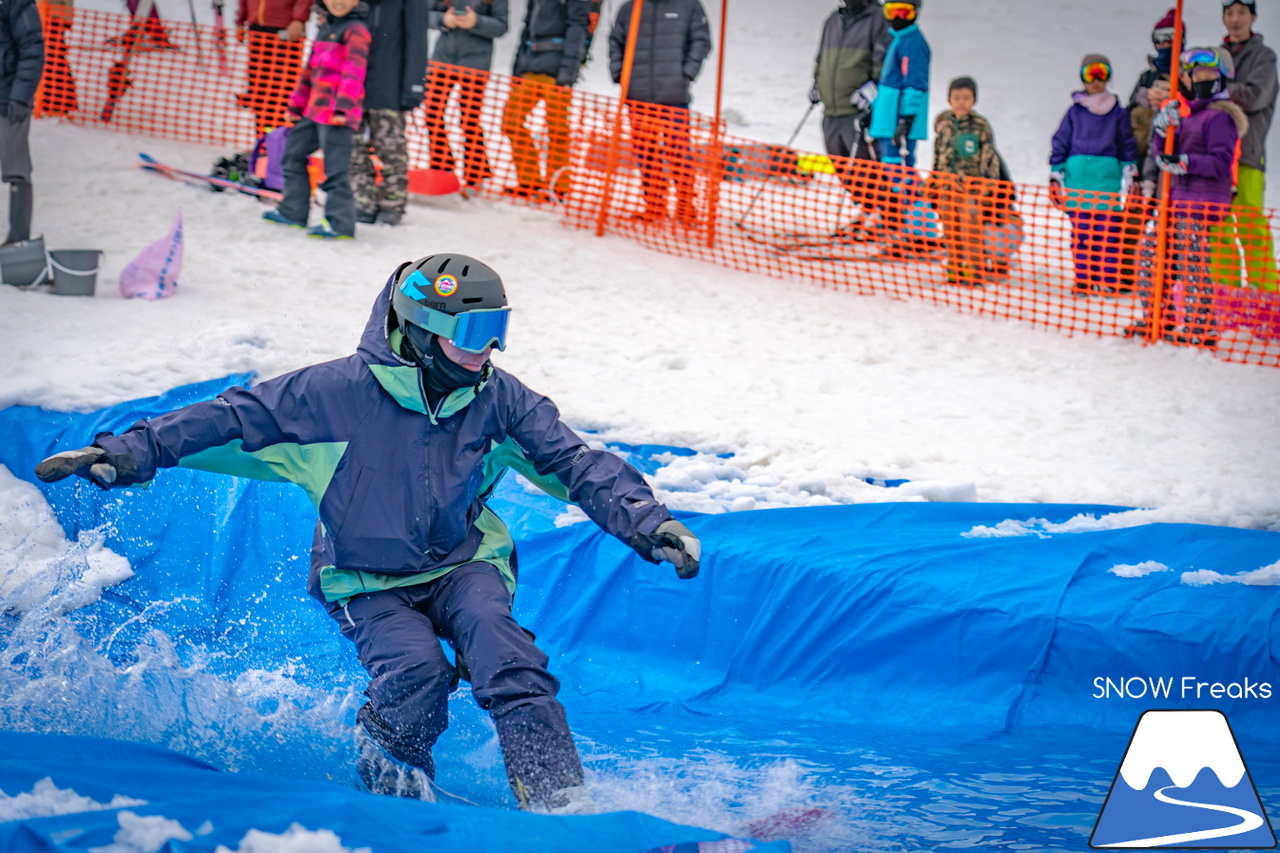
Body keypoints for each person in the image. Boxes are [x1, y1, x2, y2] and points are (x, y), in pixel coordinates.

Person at [34, 253, 703, 814]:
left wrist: (649, 521)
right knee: (416, 673)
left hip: (463, 563)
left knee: (509, 660)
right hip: (365, 577)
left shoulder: (499, 399)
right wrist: (124, 452)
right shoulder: (332, 394)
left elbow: (575, 463)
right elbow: (227, 418)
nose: (488, 348)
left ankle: (559, 806)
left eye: (496, 329)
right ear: (421, 328)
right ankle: (388, 801)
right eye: (472, 331)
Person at [1130, 46, 1246, 348]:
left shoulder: (1220, 117)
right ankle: (1158, 315)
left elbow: (1221, 161)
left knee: (1192, 261)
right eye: (1197, 74)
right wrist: (1161, 128)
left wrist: (1186, 161)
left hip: (1203, 200)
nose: (1202, 78)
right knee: (1152, 254)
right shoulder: (1188, 113)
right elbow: (1162, 153)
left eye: (1209, 73)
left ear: (1222, 77)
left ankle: (1200, 324)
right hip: (1178, 200)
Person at [262, 0, 370, 238]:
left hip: (337, 115)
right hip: (314, 111)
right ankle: (293, 211)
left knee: (335, 171)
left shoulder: (356, 30)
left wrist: (343, 108)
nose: (338, 2)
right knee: (292, 155)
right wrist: (296, 104)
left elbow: (355, 72)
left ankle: (340, 223)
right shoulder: (326, 26)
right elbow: (310, 71)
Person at [608, 0, 713, 225]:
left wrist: (686, 74)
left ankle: (686, 207)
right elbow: (616, 41)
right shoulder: (630, 8)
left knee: (679, 153)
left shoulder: (689, 6)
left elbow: (702, 41)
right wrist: (619, 73)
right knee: (646, 153)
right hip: (637, 95)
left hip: (673, 96)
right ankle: (654, 205)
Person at [1049, 53, 1139, 295]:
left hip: (1105, 180)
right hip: (1078, 180)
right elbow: (1061, 141)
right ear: (1082, 78)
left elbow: (1126, 144)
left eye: (1102, 73)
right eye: (1091, 74)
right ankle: (1084, 278)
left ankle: (1108, 278)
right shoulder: (1075, 112)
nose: (1096, 80)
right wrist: (1056, 172)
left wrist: (1130, 170)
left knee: (1108, 232)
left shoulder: (1117, 112)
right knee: (1082, 234)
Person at [1211, 0, 1278, 291]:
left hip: (1248, 155)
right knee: (1218, 227)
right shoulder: (1215, 56)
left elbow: (1256, 96)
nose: (1235, 19)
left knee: (1251, 225)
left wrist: (1216, 89)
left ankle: (1267, 293)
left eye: (1242, 12)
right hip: (1216, 156)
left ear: (1253, 17)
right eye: (1230, 13)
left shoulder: (1264, 56)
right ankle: (1225, 291)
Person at [501, 0, 591, 201]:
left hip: (557, 71)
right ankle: (530, 180)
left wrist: (568, 72)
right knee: (510, 121)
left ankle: (558, 186)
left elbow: (577, 31)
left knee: (558, 131)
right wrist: (517, 69)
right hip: (530, 67)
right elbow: (526, 29)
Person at [350, 0, 428, 226]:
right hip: (354, 86)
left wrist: (413, 86)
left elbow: (416, 41)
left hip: (389, 89)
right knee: (353, 149)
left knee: (391, 150)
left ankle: (392, 204)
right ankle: (363, 200)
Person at [422, 0, 508, 196]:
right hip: (442, 61)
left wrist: (476, 21)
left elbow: (502, 27)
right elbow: (425, 14)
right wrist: (443, 19)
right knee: (431, 112)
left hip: (475, 65)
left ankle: (477, 173)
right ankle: (442, 166)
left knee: (469, 119)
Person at [927, 76, 1006, 285]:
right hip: (947, 188)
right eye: (957, 98)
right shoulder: (944, 127)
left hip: (971, 190)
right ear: (948, 100)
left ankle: (974, 268)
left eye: (966, 98)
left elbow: (990, 157)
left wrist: (989, 186)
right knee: (950, 229)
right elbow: (938, 156)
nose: (961, 102)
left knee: (970, 228)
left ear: (974, 101)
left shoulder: (980, 126)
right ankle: (955, 266)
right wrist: (933, 180)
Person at [809, 0, 890, 165]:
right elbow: (821, 59)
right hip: (831, 111)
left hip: (858, 112)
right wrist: (817, 84)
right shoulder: (833, 20)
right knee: (840, 166)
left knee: (866, 170)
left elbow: (886, 66)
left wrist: (871, 91)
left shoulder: (880, 18)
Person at [867, 0, 929, 169]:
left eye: (903, 12)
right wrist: (874, 112)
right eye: (891, 12)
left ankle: (910, 196)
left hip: (897, 122)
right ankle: (899, 195)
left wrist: (906, 120)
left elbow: (915, 86)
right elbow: (887, 86)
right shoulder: (900, 40)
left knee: (899, 169)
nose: (896, 18)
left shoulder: (913, 43)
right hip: (888, 121)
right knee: (890, 169)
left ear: (915, 13)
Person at [1, 0, 43, 249]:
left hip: (8, 99)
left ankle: (18, 238)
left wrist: (20, 96)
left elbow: (32, 50)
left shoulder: (16, 3)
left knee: (16, 168)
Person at [236, 0, 310, 139]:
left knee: (282, 88)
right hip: (257, 30)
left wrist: (299, 19)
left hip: (285, 31)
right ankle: (264, 139)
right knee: (259, 89)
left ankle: (284, 139)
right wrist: (241, 19)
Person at [1127, 9, 1182, 162]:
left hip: (1173, 155)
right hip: (1142, 156)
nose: (1164, 42)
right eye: (1159, 38)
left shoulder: (1187, 76)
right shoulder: (1146, 77)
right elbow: (1128, 113)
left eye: (1171, 37)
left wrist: (1174, 97)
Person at [37, 0, 76, 118]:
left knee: (53, 61)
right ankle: (47, 102)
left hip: (53, 19)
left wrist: (66, 19)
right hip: (43, 17)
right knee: (48, 60)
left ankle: (59, 102)